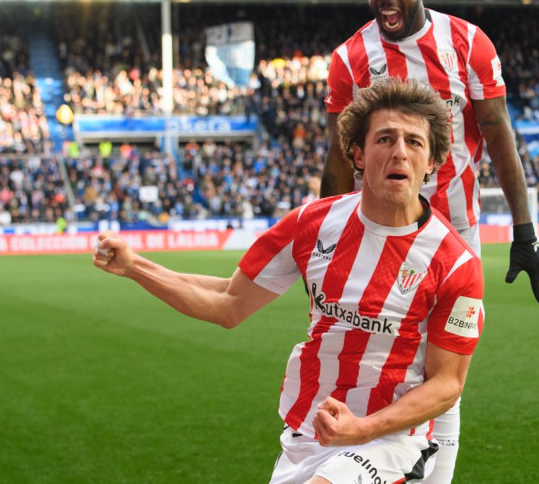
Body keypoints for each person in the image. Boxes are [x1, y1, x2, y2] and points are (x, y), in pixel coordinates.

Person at [92, 78, 485, 484]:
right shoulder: (311, 225)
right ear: (358, 154)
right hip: (307, 437)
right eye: (385, 139)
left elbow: (446, 384)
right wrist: (136, 267)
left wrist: (363, 429)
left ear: (433, 161)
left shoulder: (455, 264)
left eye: (415, 142)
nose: (400, 152)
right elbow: (229, 302)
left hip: (388, 442)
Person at [320, 0, 539, 482]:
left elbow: (499, 137)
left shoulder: (468, 44)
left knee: (444, 367)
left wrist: (525, 233)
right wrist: (323, 238)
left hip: (453, 237)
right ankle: (371, 462)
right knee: (379, 359)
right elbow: (337, 159)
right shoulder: (350, 60)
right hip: (378, 234)